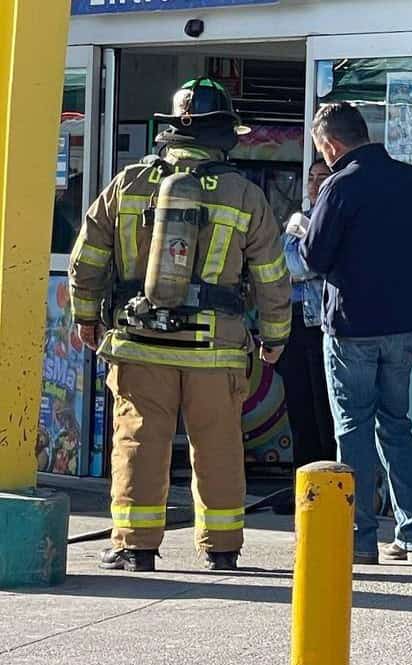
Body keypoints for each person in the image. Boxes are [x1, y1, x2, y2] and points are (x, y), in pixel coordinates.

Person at [69, 77, 292, 572]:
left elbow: (87, 259)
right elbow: (273, 276)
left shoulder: (127, 184)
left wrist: (86, 317)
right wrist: (275, 336)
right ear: (224, 134)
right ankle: (222, 550)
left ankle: (135, 546)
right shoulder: (243, 195)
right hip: (216, 349)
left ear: (171, 130)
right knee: (217, 445)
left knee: (139, 441)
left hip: (139, 341)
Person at [298, 102, 412, 564]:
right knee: (396, 425)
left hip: (353, 327)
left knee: (353, 428)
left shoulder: (338, 185)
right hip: (403, 326)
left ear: (331, 144)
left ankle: (359, 538)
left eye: (322, 148)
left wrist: (302, 229)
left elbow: (314, 259)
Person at [272, 159, 337, 515]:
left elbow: (308, 265)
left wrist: (297, 259)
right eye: (310, 178)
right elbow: (283, 265)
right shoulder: (298, 219)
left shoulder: (332, 217)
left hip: (323, 324)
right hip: (293, 322)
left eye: (321, 177)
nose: (314, 184)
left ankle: (329, 485)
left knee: (324, 407)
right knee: (298, 407)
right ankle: (303, 487)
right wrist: (297, 260)